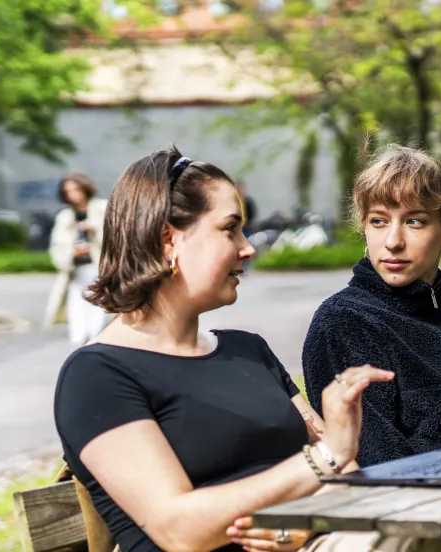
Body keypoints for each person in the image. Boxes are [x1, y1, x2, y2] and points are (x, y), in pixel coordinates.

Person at [53, 146, 394, 552]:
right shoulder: (98, 375)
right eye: (230, 228)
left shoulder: (247, 350)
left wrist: (295, 526)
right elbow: (178, 529)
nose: (247, 248)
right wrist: (324, 458)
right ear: (168, 241)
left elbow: (344, 473)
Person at [302, 145, 441, 468]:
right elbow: (382, 462)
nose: (392, 241)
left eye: (414, 222)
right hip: (418, 505)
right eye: (378, 221)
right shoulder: (342, 322)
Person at [43, 171, 110, 345]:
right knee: (77, 310)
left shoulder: (103, 209)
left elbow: (117, 239)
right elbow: (57, 247)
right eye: (68, 191)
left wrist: (94, 231)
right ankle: (80, 345)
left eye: (76, 189)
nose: (73, 194)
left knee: (99, 310)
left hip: (100, 269)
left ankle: (95, 342)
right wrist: (72, 253)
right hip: (76, 271)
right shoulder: (65, 216)